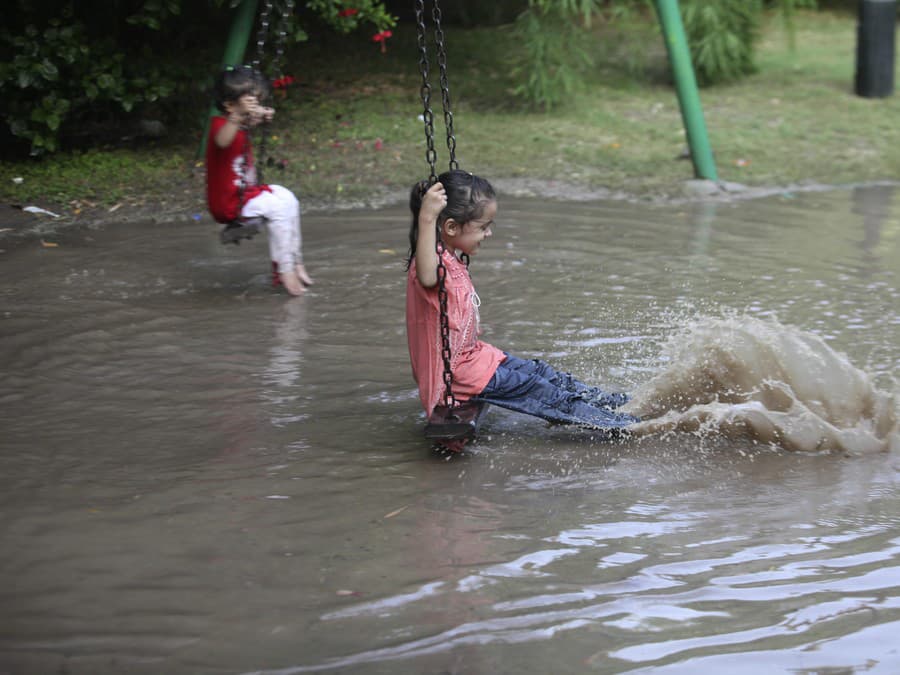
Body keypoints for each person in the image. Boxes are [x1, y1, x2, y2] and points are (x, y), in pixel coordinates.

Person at [406, 169, 638, 450]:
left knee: (544, 374)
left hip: (476, 358)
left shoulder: (449, 254)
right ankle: (629, 428)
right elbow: (428, 276)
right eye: (483, 226)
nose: (488, 233)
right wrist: (428, 217)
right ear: (452, 228)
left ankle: (612, 403)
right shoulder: (431, 266)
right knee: (543, 393)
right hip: (460, 374)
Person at [206, 65, 313, 296]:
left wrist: (262, 115)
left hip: (247, 195)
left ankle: (295, 261)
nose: (253, 109)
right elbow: (223, 141)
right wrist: (236, 118)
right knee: (277, 208)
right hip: (229, 204)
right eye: (250, 103)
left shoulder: (240, 122)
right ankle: (283, 271)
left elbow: (248, 122)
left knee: (287, 198)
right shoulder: (220, 125)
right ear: (230, 106)